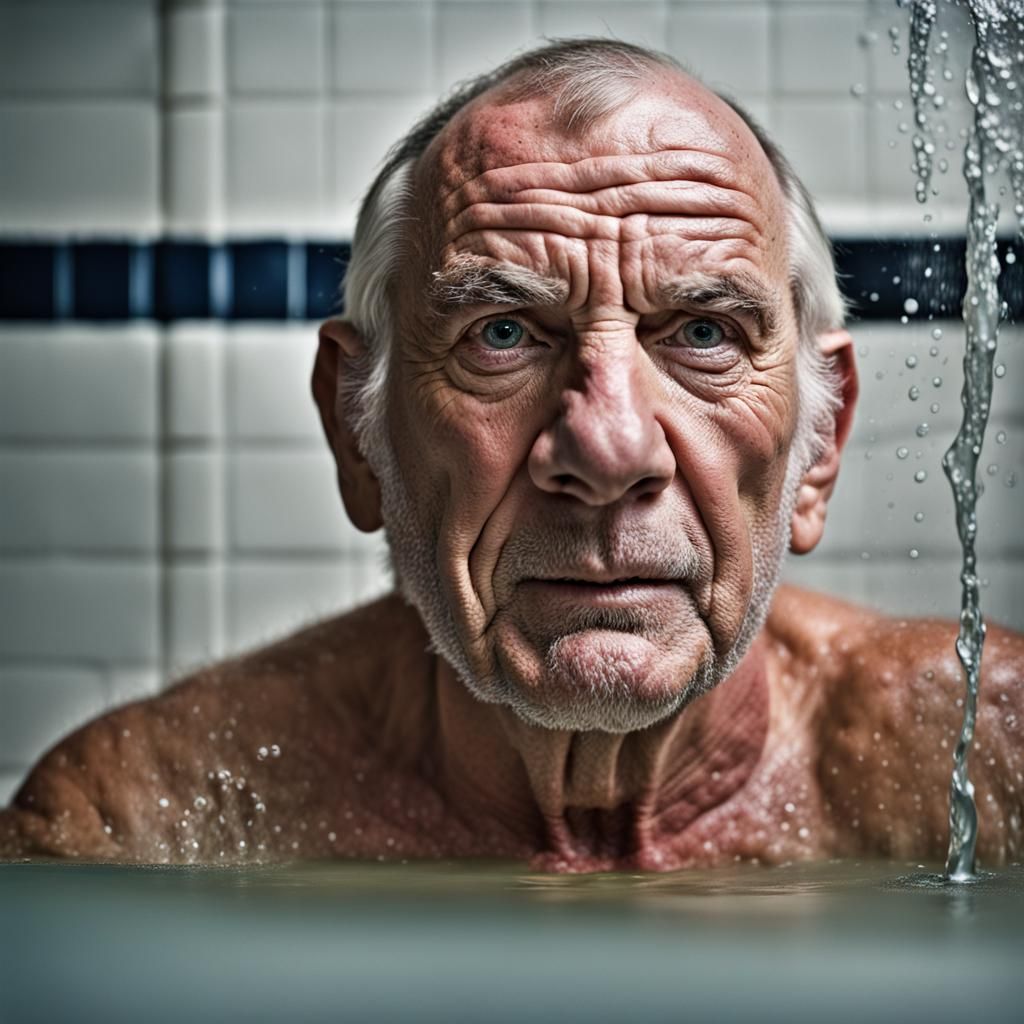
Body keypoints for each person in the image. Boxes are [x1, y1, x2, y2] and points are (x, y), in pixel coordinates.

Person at [2, 39, 1021, 871]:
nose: (608, 446)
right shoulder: (139, 832)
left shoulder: (989, 765)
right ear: (358, 434)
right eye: (501, 334)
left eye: (703, 333)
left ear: (817, 450)